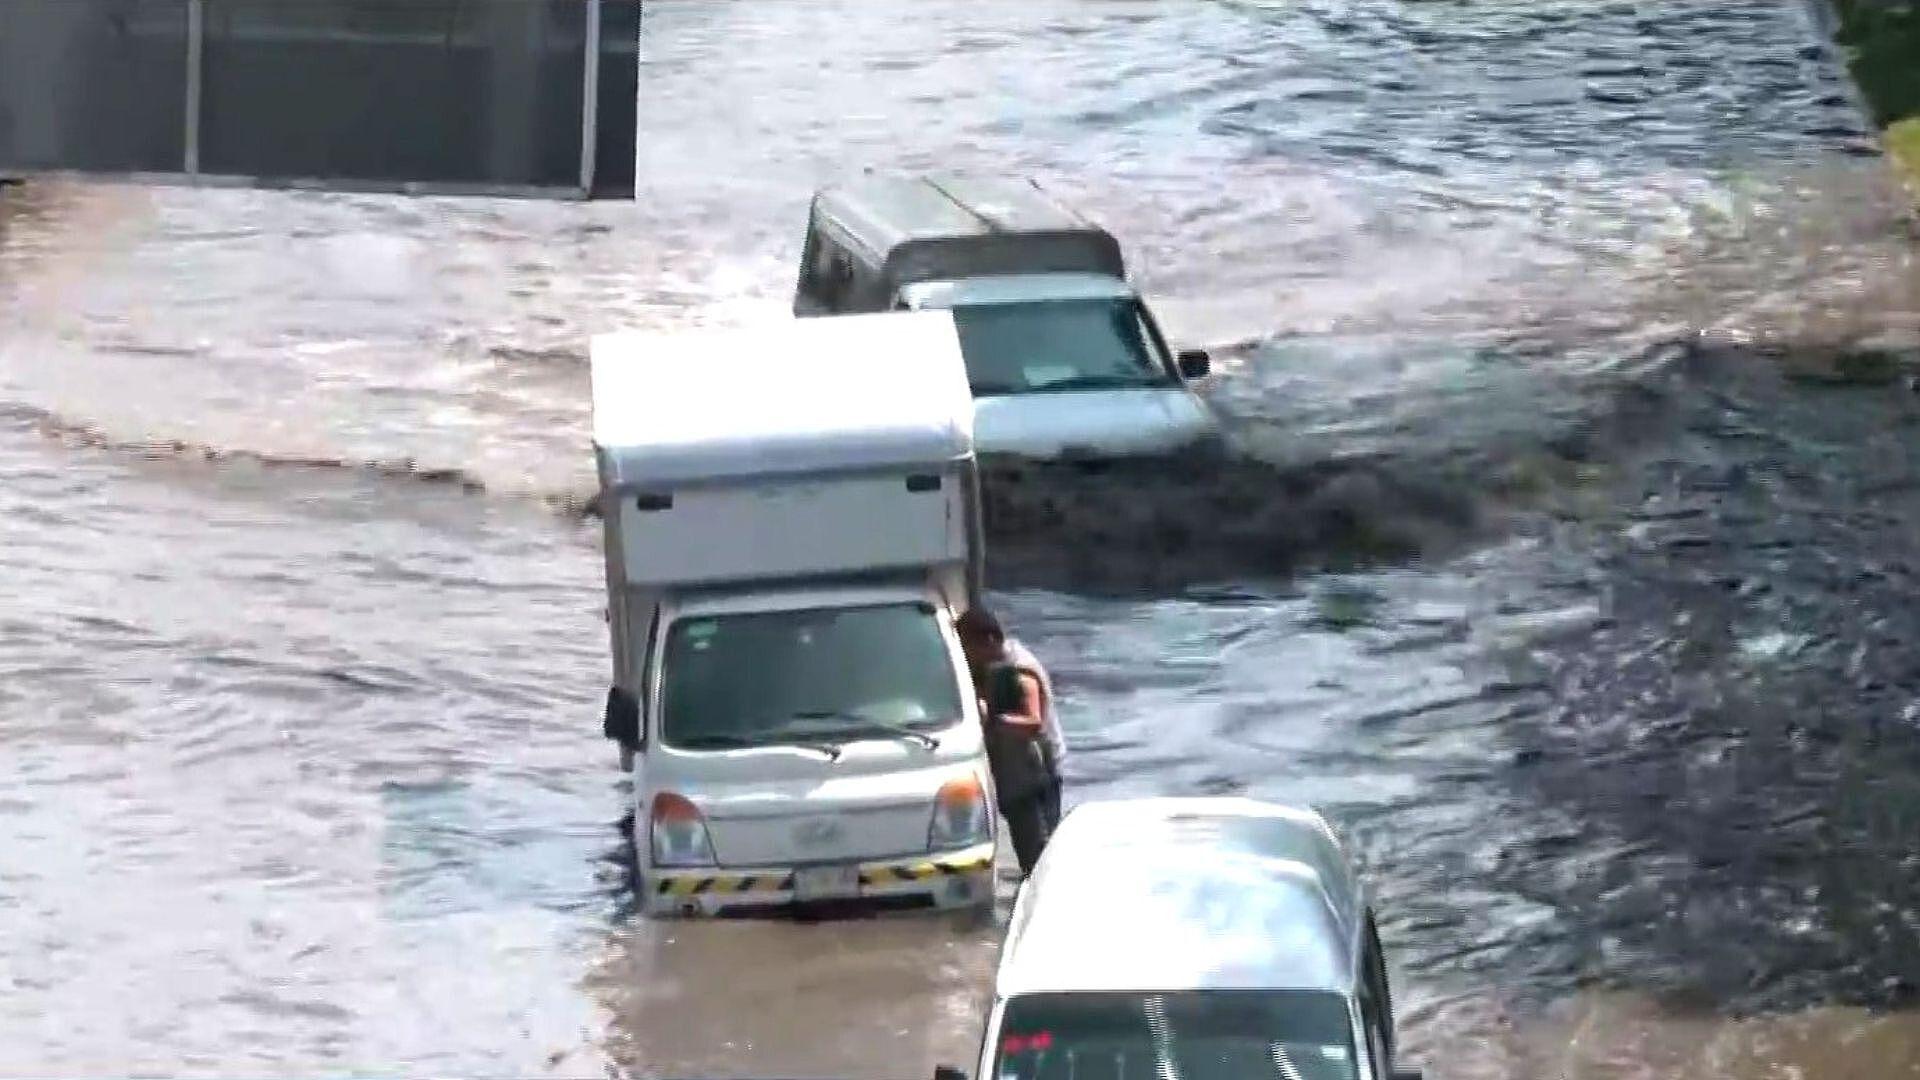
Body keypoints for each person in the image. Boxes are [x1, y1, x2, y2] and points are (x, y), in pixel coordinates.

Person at [955, 606, 1066, 876]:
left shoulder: (1018, 669)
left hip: (1034, 773)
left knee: (1038, 854)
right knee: (1031, 848)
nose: (966, 656)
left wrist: (990, 721)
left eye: (967, 647)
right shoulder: (992, 670)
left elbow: (1032, 721)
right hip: (1015, 774)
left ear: (989, 641)